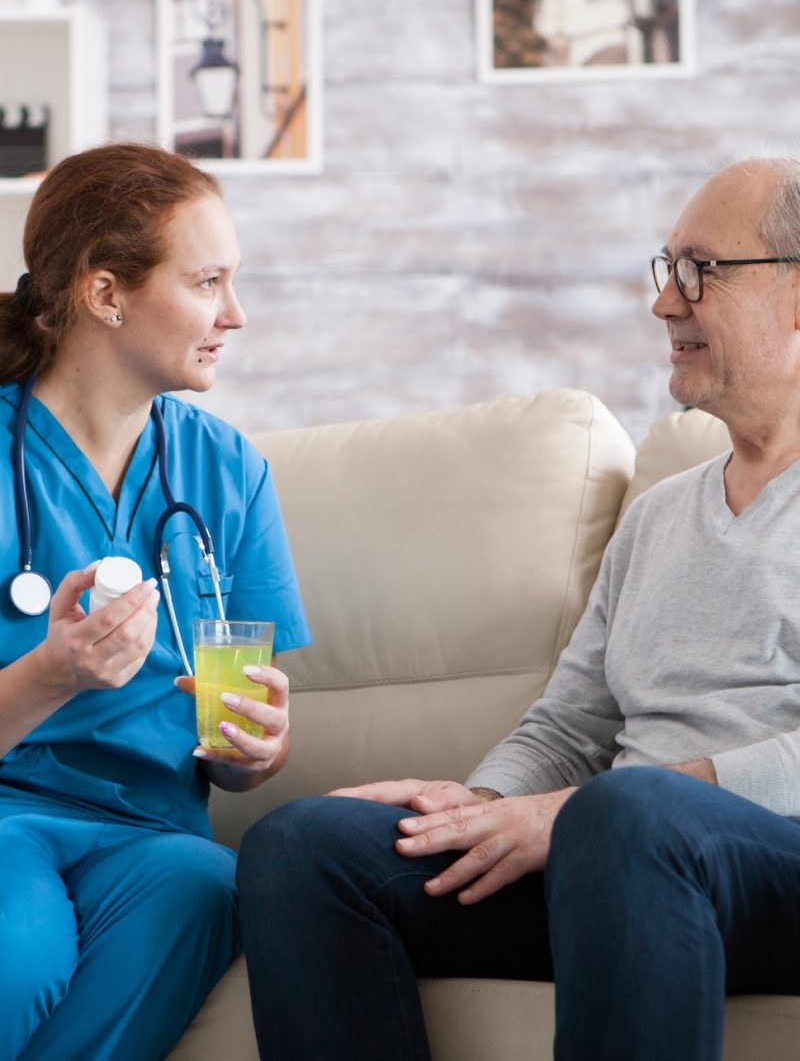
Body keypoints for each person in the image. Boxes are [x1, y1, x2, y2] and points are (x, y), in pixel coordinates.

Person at [236, 154, 800, 1061]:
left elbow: (613, 796)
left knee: (628, 812)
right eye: (667, 271)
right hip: (616, 864)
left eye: (700, 270)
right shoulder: (660, 517)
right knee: (304, 847)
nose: (665, 303)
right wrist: (481, 804)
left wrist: (591, 808)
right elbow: (572, 723)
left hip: (763, 860)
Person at [0, 142, 311, 1061]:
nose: (236, 315)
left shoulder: (227, 471)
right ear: (106, 294)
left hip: (154, 832)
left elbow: (235, 757)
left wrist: (257, 748)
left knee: (207, 887)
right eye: (208, 281)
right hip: (9, 814)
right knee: (16, 959)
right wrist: (52, 676)